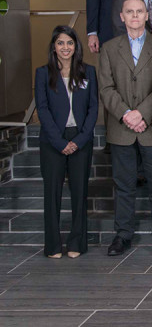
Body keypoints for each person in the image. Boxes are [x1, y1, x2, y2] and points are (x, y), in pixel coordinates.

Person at [98, 0, 152, 257]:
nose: (134, 16)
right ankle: (123, 235)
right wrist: (126, 114)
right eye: (129, 12)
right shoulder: (109, 48)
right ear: (122, 16)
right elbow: (106, 88)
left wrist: (142, 113)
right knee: (124, 186)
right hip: (122, 129)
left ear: (147, 15)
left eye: (139, 11)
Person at [34, 26, 98, 258]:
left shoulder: (88, 72)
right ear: (54, 46)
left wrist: (79, 140)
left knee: (79, 193)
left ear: (76, 46)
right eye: (60, 43)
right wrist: (59, 142)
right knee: (52, 195)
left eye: (70, 43)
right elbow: (42, 109)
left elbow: (93, 109)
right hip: (53, 141)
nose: (65, 47)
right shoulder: (43, 73)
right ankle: (52, 246)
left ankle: (76, 244)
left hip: (80, 139)